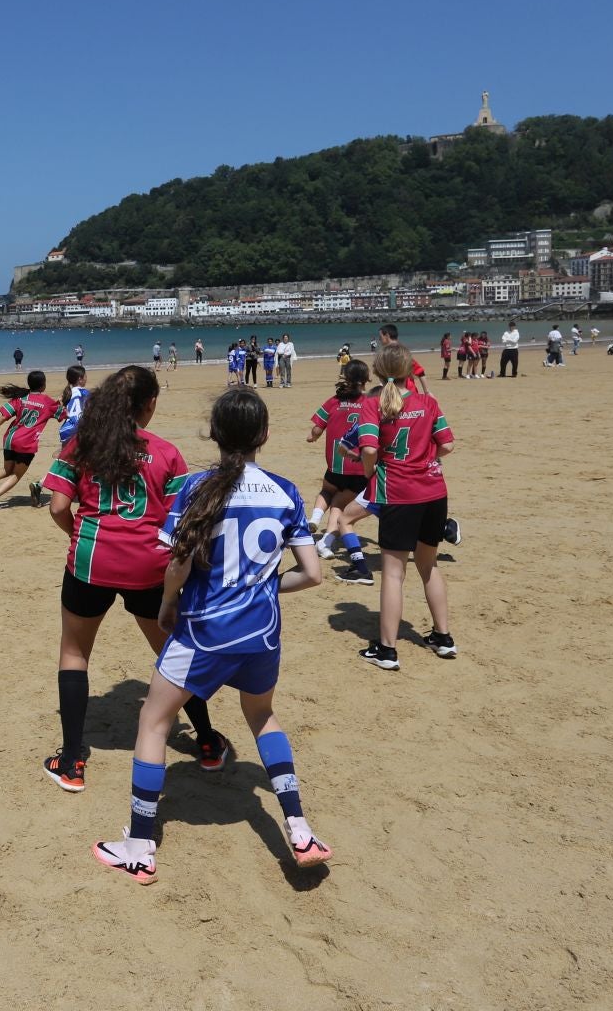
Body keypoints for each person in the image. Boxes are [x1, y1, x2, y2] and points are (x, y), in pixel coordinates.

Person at [91, 388, 331, 883]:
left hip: (204, 631)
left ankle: (139, 845)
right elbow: (312, 575)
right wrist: (262, 587)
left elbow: (176, 562)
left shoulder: (196, 488)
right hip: (262, 634)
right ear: (264, 435)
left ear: (215, 434)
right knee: (262, 717)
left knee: (154, 723)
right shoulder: (284, 490)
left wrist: (166, 605)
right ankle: (300, 829)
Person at [39, 367, 227, 791]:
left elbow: (56, 507)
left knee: (74, 653)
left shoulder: (81, 445)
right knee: (174, 655)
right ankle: (208, 742)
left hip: (90, 562)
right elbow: (184, 521)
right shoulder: (165, 452)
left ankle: (71, 762)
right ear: (148, 405)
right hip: (149, 566)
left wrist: (81, 536)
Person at [352, 345, 459, 671]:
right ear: (410, 370)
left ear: (379, 371)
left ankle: (387, 650)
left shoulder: (375, 404)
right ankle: (443, 638)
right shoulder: (427, 402)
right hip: (434, 492)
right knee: (429, 566)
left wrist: (372, 471)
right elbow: (448, 445)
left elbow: (369, 447)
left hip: (399, 493)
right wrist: (424, 459)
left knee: (394, 574)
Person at [306, 360, 375, 583]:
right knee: (340, 504)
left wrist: (313, 436)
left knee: (327, 491)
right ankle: (326, 541)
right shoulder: (369, 403)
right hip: (357, 467)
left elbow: (317, 428)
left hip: (334, 464)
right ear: (366, 380)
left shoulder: (334, 401)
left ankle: (315, 518)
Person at [0, 370, 61, 510]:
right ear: (43, 385)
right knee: (16, 474)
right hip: (26, 443)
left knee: (6, 469)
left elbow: (4, 416)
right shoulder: (48, 402)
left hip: (10, 438)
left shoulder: (21, 397)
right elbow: (63, 414)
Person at [58, 364, 90, 447]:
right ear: (80, 379)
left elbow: (61, 412)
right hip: (78, 429)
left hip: (66, 430)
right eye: (85, 376)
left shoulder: (66, 393)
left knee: (65, 458)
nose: (86, 378)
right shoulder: (85, 393)